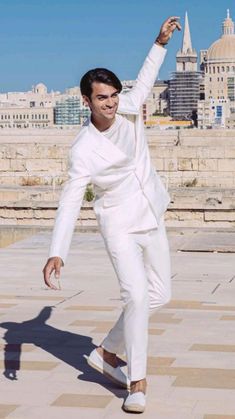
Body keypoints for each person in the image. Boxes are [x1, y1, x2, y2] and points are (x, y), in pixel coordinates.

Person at [43, 16, 181, 414]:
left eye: (114, 95)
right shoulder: (82, 148)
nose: (111, 102)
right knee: (136, 295)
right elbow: (71, 199)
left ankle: (105, 352)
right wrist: (58, 251)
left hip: (152, 211)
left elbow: (146, 73)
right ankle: (136, 382)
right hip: (118, 223)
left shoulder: (132, 109)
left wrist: (159, 42)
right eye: (102, 97)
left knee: (159, 294)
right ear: (86, 101)